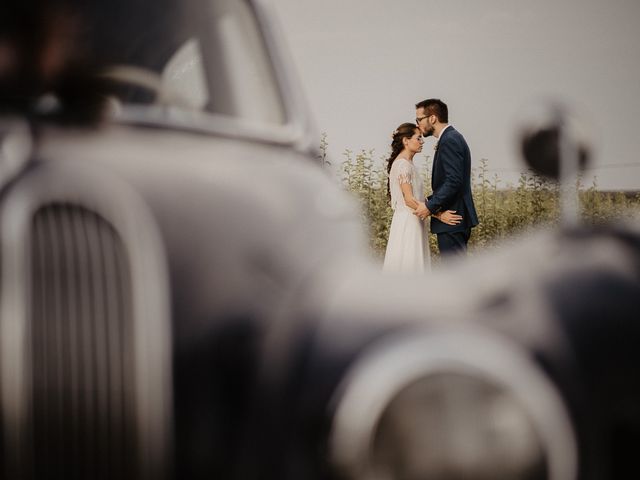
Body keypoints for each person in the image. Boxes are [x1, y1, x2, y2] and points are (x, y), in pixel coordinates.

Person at [383, 122, 462, 273]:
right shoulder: (403, 165)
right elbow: (409, 200)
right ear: (406, 141)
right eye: (418, 138)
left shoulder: (407, 164)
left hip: (414, 219)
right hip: (409, 222)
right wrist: (439, 215)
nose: (422, 142)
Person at [414, 99, 479, 255]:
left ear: (432, 118)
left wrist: (430, 206)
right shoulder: (451, 137)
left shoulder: (449, 140)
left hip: (452, 217)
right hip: (453, 218)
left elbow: (453, 181)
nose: (417, 125)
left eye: (419, 119)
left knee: (455, 273)